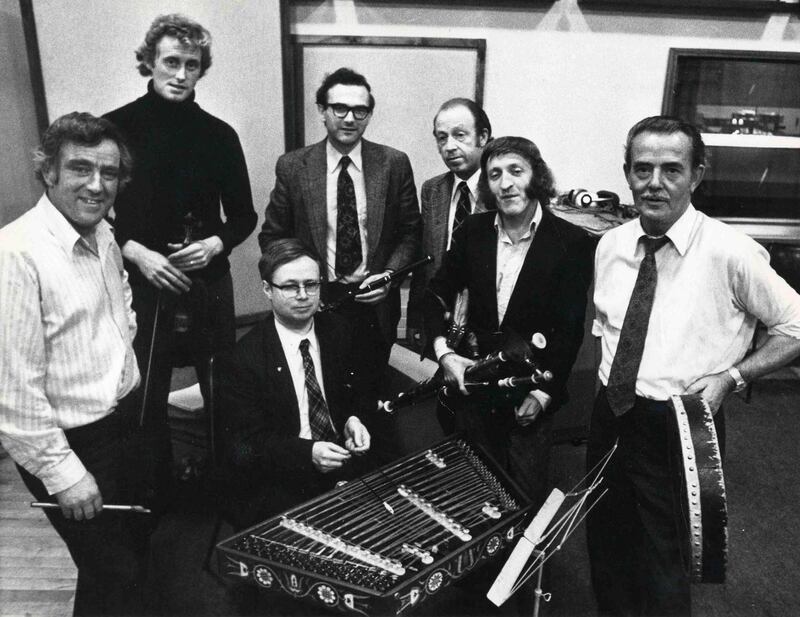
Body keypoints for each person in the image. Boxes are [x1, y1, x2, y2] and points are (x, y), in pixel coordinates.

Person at [587, 116, 800, 616]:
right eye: (642, 169)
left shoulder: (731, 252)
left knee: (665, 564)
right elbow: (606, 329)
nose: (654, 183)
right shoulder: (611, 245)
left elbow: (795, 325)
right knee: (607, 549)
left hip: (680, 425)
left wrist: (733, 377)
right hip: (611, 414)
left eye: (672, 170)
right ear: (627, 173)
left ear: (697, 175)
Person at [0, 112, 149, 616]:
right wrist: (63, 474)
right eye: (81, 168)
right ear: (48, 171)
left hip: (120, 425)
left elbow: (120, 308)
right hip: (73, 443)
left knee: (120, 570)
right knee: (115, 572)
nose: (97, 185)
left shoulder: (102, 231)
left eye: (109, 173)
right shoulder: (15, 254)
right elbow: (13, 393)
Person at [104, 14, 257, 499]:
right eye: (171, 62)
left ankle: (223, 488)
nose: (181, 74)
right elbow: (93, 211)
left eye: (192, 65)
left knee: (222, 389)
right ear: (149, 62)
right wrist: (136, 252)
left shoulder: (220, 134)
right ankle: (157, 493)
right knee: (145, 392)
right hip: (142, 282)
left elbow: (244, 216)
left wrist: (216, 243)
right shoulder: (115, 128)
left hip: (207, 283)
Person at [422, 136, 595, 505]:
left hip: (527, 393)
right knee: (472, 496)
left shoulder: (572, 241)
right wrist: (444, 354)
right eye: (495, 174)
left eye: (516, 171)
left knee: (522, 501)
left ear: (537, 177)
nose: (506, 183)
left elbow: (569, 331)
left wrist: (543, 394)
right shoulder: (472, 231)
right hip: (474, 387)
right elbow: (434, 295)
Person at [258, 67, 421, 403]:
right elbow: (273, 236)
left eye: (360, 111)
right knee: (321, 390)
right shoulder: (293, 166)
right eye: (340, 108)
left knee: (373, 394)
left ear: (369, 114)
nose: (350, 118)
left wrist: (389, 275)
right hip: (318, 299)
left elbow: (410, 232)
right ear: (322, 110)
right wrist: (303, 282)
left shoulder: (393, 163)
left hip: (375, 300)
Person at [217, 239, 373, 531]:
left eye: (311, 285)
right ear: (267, 289)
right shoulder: (242, 358)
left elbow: (359, 394)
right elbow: (246, 445)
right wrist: (307, 453)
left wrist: (353, 419)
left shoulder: (340, 331)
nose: (303, 295)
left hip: (342, 457)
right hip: (281, 475)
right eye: (290, 287)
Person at [407, 98, 492, 352]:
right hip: (438, 322)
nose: (450, 146)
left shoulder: (501, 191)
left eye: (460, 135)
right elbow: (424, 261)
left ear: (483, 137)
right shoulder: (432, 189)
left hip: (484, 328)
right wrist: (416, 317)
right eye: (442, 138)